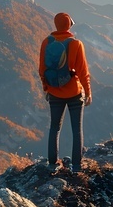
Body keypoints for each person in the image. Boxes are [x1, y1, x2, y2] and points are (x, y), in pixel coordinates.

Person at [39, 12, 92, 173]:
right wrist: (88, 92)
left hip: (54, 92)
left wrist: (46, 88)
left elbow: (42, 69)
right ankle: (76, 167)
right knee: (77, 129)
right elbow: (83, 72)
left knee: (54, 128)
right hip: (74, 93)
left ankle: (52, 164)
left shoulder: (46, 42)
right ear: (69, 25)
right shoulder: (76, 44)